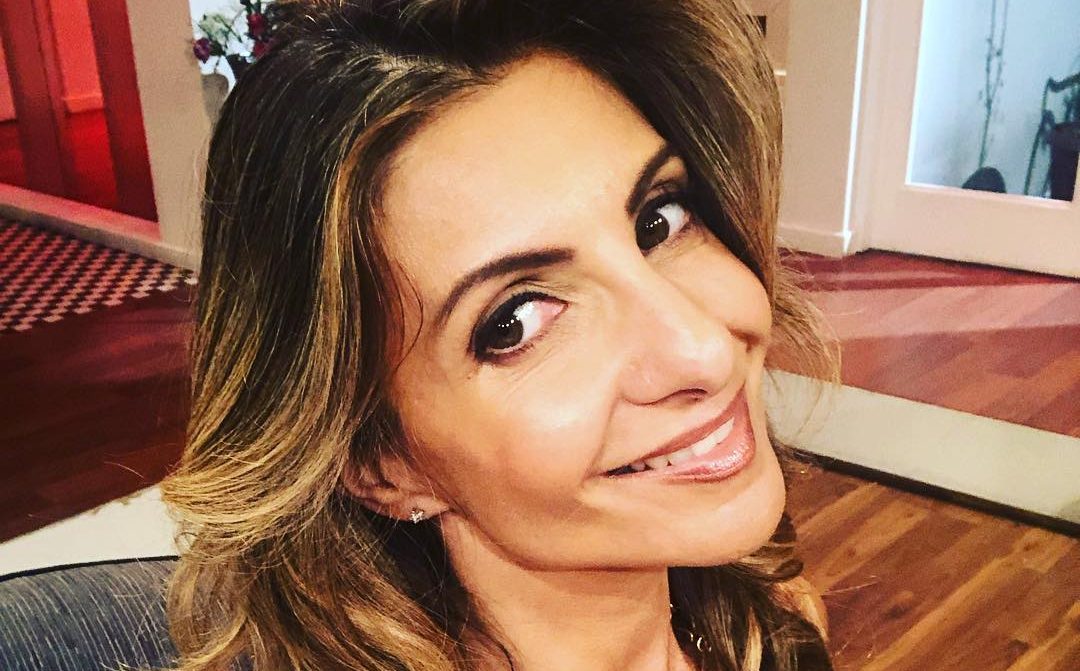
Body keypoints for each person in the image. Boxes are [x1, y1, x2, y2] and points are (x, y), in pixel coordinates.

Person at [161, 1, 840, 669]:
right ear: (381, 464)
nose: (705, 349)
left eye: (659, 221)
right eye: (516, 320)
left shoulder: (763, 627)